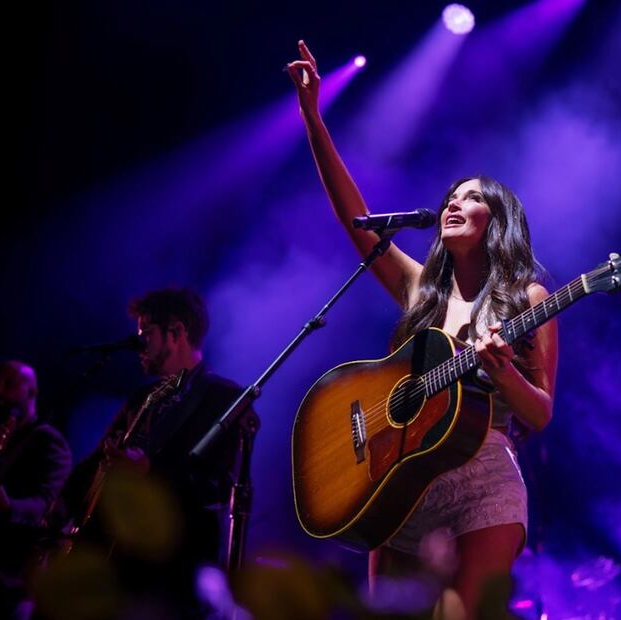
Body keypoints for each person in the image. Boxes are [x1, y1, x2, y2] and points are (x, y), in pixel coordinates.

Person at [287, 41, 559, 616]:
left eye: (471, 198)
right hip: (399, 480)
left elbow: (539, 412)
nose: (453, 204)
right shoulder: (421, 289)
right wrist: (313, 118)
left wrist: (504, 375)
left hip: (483, 482)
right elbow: (354, 219)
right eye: (450, 197)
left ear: (498, 221)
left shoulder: (528, 299)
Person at [59, 287, 258, 616]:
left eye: (146, 334)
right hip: (116, 564)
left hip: (171, 576)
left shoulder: (223, 397)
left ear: (176, 332)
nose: (139, 345)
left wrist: (150, 471)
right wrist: (58, 511)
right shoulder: (143, 397)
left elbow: (217, 489)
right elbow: (97, 461)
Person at [0, 360, 72, 618]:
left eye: (9, 384)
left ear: (32, 392)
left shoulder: (48, 440)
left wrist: (8, 506)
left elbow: (47, 504)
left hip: (8, 576)